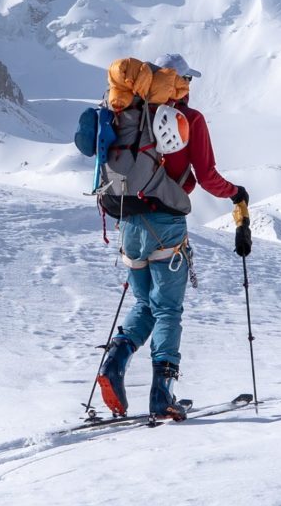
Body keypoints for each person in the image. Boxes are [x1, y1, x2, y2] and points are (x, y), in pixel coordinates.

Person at [73, 53, 249, 421]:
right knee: (168, 308)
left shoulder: (123, 115)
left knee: (145, 305)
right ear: (177, 81)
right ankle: (161, 393)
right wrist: (237, 194)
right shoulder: (189, 119)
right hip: (166, 222)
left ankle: (114, 363)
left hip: (127, 222)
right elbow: (207, 176)